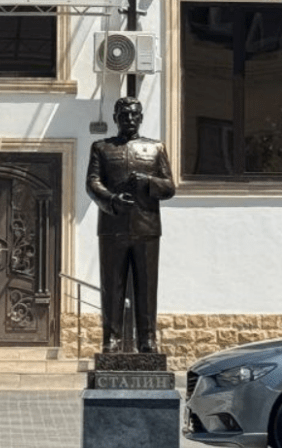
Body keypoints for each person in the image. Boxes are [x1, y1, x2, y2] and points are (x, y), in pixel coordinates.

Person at [86, 97, 176, 354]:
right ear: (115, 118)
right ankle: (111, 340)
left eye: (134, 115)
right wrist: (112, 200)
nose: (129, 119)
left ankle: (147, 340)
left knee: (146, 288)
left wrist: (148, 181)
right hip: (112, 227)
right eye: (124, 115)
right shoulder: (101, 148)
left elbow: (169, 187)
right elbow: (92, 183)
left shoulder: (156, 148)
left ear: (141, 117)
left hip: (147, 228)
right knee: (111, 286)